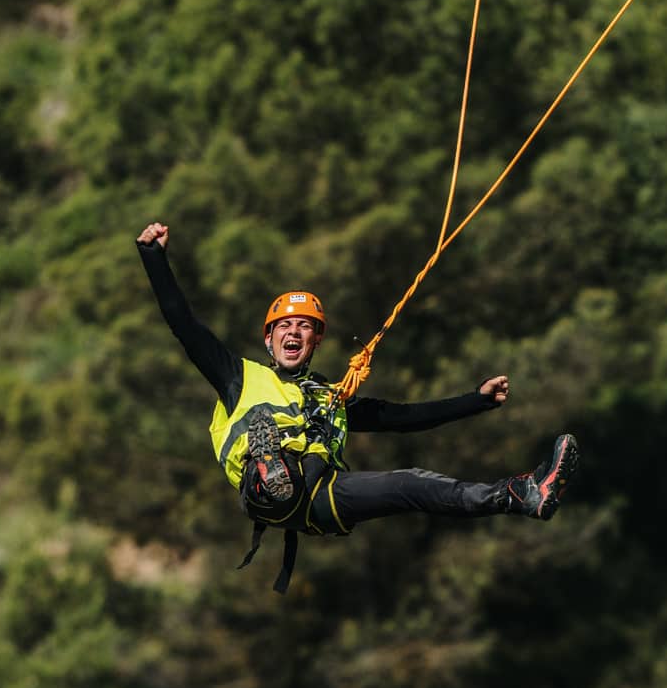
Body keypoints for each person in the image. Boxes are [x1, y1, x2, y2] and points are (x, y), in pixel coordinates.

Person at [136, 220, 578, 592]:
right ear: (268, 339)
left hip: (320, 497)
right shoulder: (238, 375)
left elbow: (399, 418)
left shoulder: (330, 397)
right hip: (267, 491)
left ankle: (521, 495)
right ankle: (269, 465)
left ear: (316, 340)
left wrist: (474, 401)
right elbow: (184, 323)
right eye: (284, 326)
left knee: (411, 483)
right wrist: (154, 258)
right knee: (274, 456)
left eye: (304, 327)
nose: (294, 333)